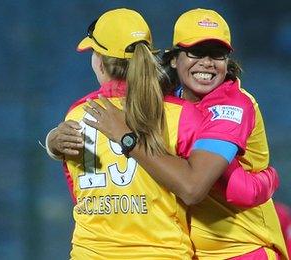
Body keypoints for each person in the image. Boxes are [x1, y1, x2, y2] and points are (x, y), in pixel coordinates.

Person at [80, 9, 286, 259]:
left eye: (217, 54)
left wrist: (127, 139)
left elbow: (194, 187)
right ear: (175, 59)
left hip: (240, 249)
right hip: (189, 252)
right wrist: (54, 140)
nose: (207, 62)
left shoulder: (230, 108)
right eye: (196, 52)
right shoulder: (166, 101)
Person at [44, 8, 207, 258]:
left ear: (99, 61)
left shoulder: (78, 113)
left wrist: (52, 142)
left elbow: (78, 193)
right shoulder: (181, 115)